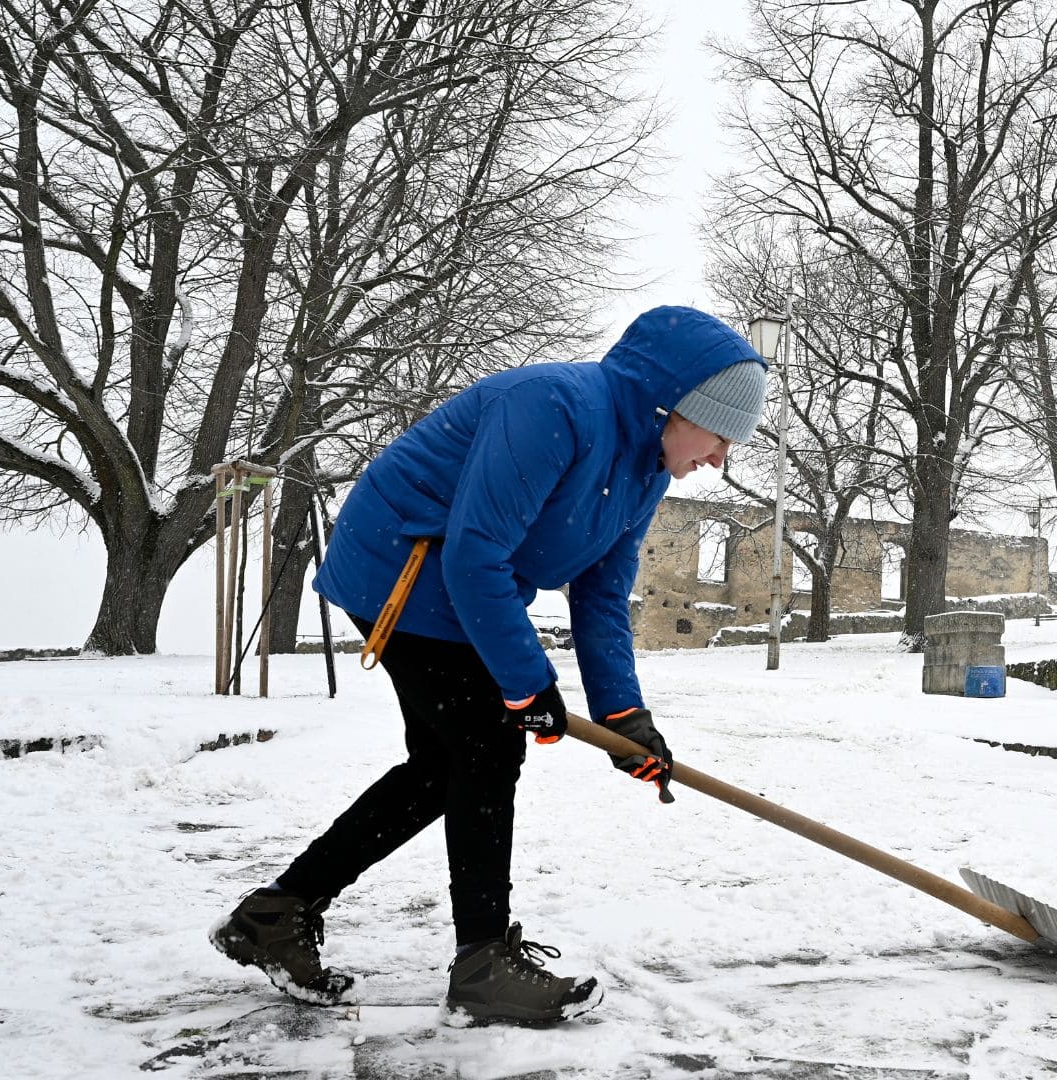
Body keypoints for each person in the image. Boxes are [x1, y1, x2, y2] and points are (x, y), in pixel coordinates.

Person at [209, 306, 768, 1027]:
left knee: (446, 764)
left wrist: (626, 718)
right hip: (402, 570)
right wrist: (523, 682)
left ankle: (275, 914)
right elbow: (476, 553)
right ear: (676, 405)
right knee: (482, 747)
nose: (721, 457)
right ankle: (481, 966)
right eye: (721, 434)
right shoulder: (554, 408)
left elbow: (600, 593)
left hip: (462, 584)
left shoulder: (645, 471)